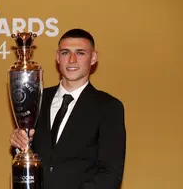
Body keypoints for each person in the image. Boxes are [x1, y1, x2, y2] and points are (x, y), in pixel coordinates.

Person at [9, 28, 126, 189]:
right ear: (57, 57)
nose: (72, 60)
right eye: (65, 53)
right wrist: (20, 144)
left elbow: (110, 174)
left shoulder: (108, 107)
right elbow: (31, 156)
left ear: (93, 58)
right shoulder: (37, 99)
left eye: (80, 53)